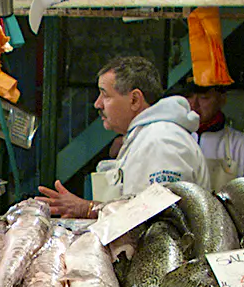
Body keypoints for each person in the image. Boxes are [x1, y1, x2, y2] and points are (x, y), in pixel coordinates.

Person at [38, 55, 209, 219]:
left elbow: (161, 216)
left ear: (135, 100)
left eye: (105, 95)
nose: (97, 104)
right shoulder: (145, 137)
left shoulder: (161, 140)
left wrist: (88, 209)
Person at [180, 82, 244, 181]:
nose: (194, 104)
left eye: (204, 97)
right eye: (188, 97)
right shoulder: (173, 138)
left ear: (222, 99)